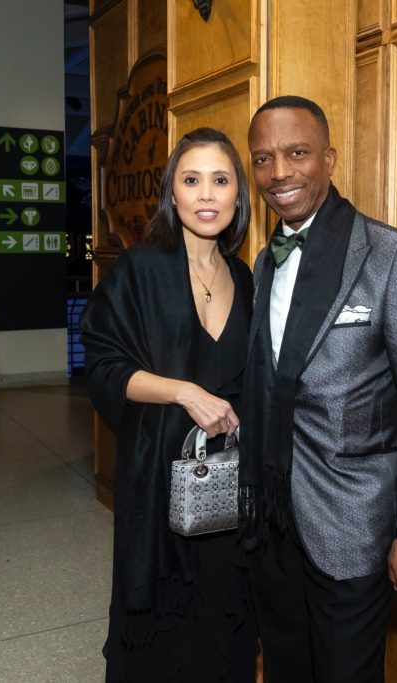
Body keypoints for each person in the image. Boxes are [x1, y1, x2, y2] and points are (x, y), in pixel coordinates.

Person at [238, 96, 397, 682]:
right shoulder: (265, 262)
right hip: (272, 527)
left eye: (296, 154)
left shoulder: (394, 258)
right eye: (263, 159)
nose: (279, 173)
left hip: (351, 526)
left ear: (329, 159)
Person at [81, 127, 257, 682]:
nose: (206, 195)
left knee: (221, 615)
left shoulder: (246, 279)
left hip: (230, 476)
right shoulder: (141, 269)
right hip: (160, 478)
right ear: (172, 194)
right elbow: (103, 366)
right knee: (162, 628)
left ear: (238, 196)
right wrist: (181, 391)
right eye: (192, 180)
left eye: (220, 180)